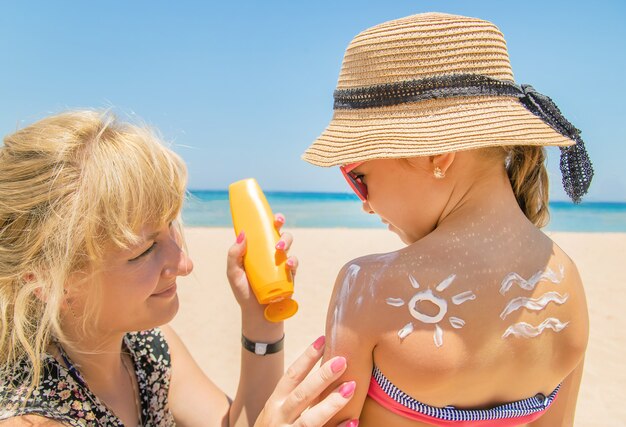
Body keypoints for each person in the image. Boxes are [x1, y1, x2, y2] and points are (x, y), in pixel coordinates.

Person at [302, 12, 593, 427]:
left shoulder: (365, 288)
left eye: (358, 175)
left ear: (436, 154)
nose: (364, 203)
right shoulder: (566, 278)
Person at [0, 110, 359, 427]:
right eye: (144, 250)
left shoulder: (143, 346)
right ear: (49, 282)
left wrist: (261, 320)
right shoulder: (30, 418)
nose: (184, 264)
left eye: (170, 226)